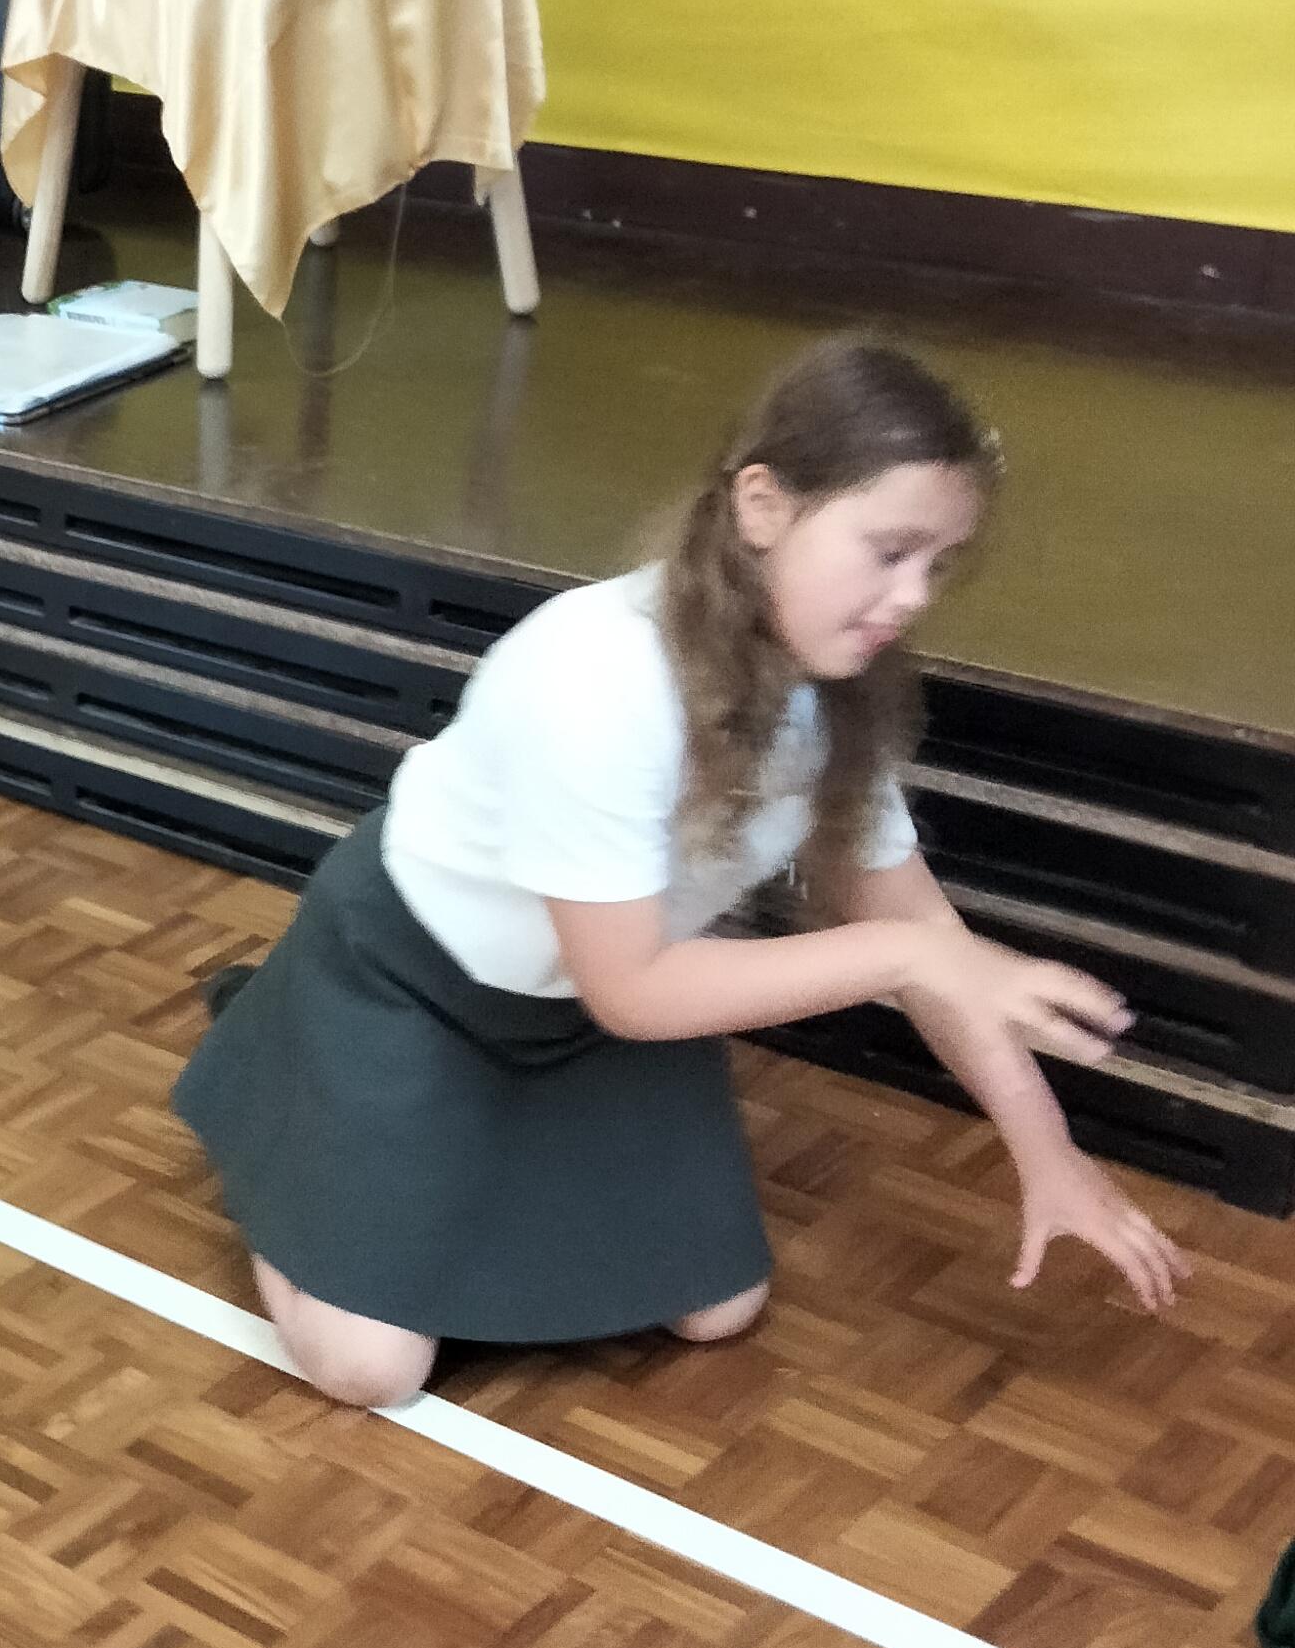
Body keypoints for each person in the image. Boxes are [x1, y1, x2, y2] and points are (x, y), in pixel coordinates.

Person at [176, 336, 1187, 1410]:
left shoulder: (832, 687)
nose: (912, 597)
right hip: (413, 984)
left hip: (583, 1016)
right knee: (372, 1369)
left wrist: (1048, 1153)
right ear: (763, 504)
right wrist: (904, 956)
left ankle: (455, 1165)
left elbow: (928, 942)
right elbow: (646, 988)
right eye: (890, 550)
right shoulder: (596, 676)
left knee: (719, 1308)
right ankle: (283, 1075)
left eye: (937, 564)